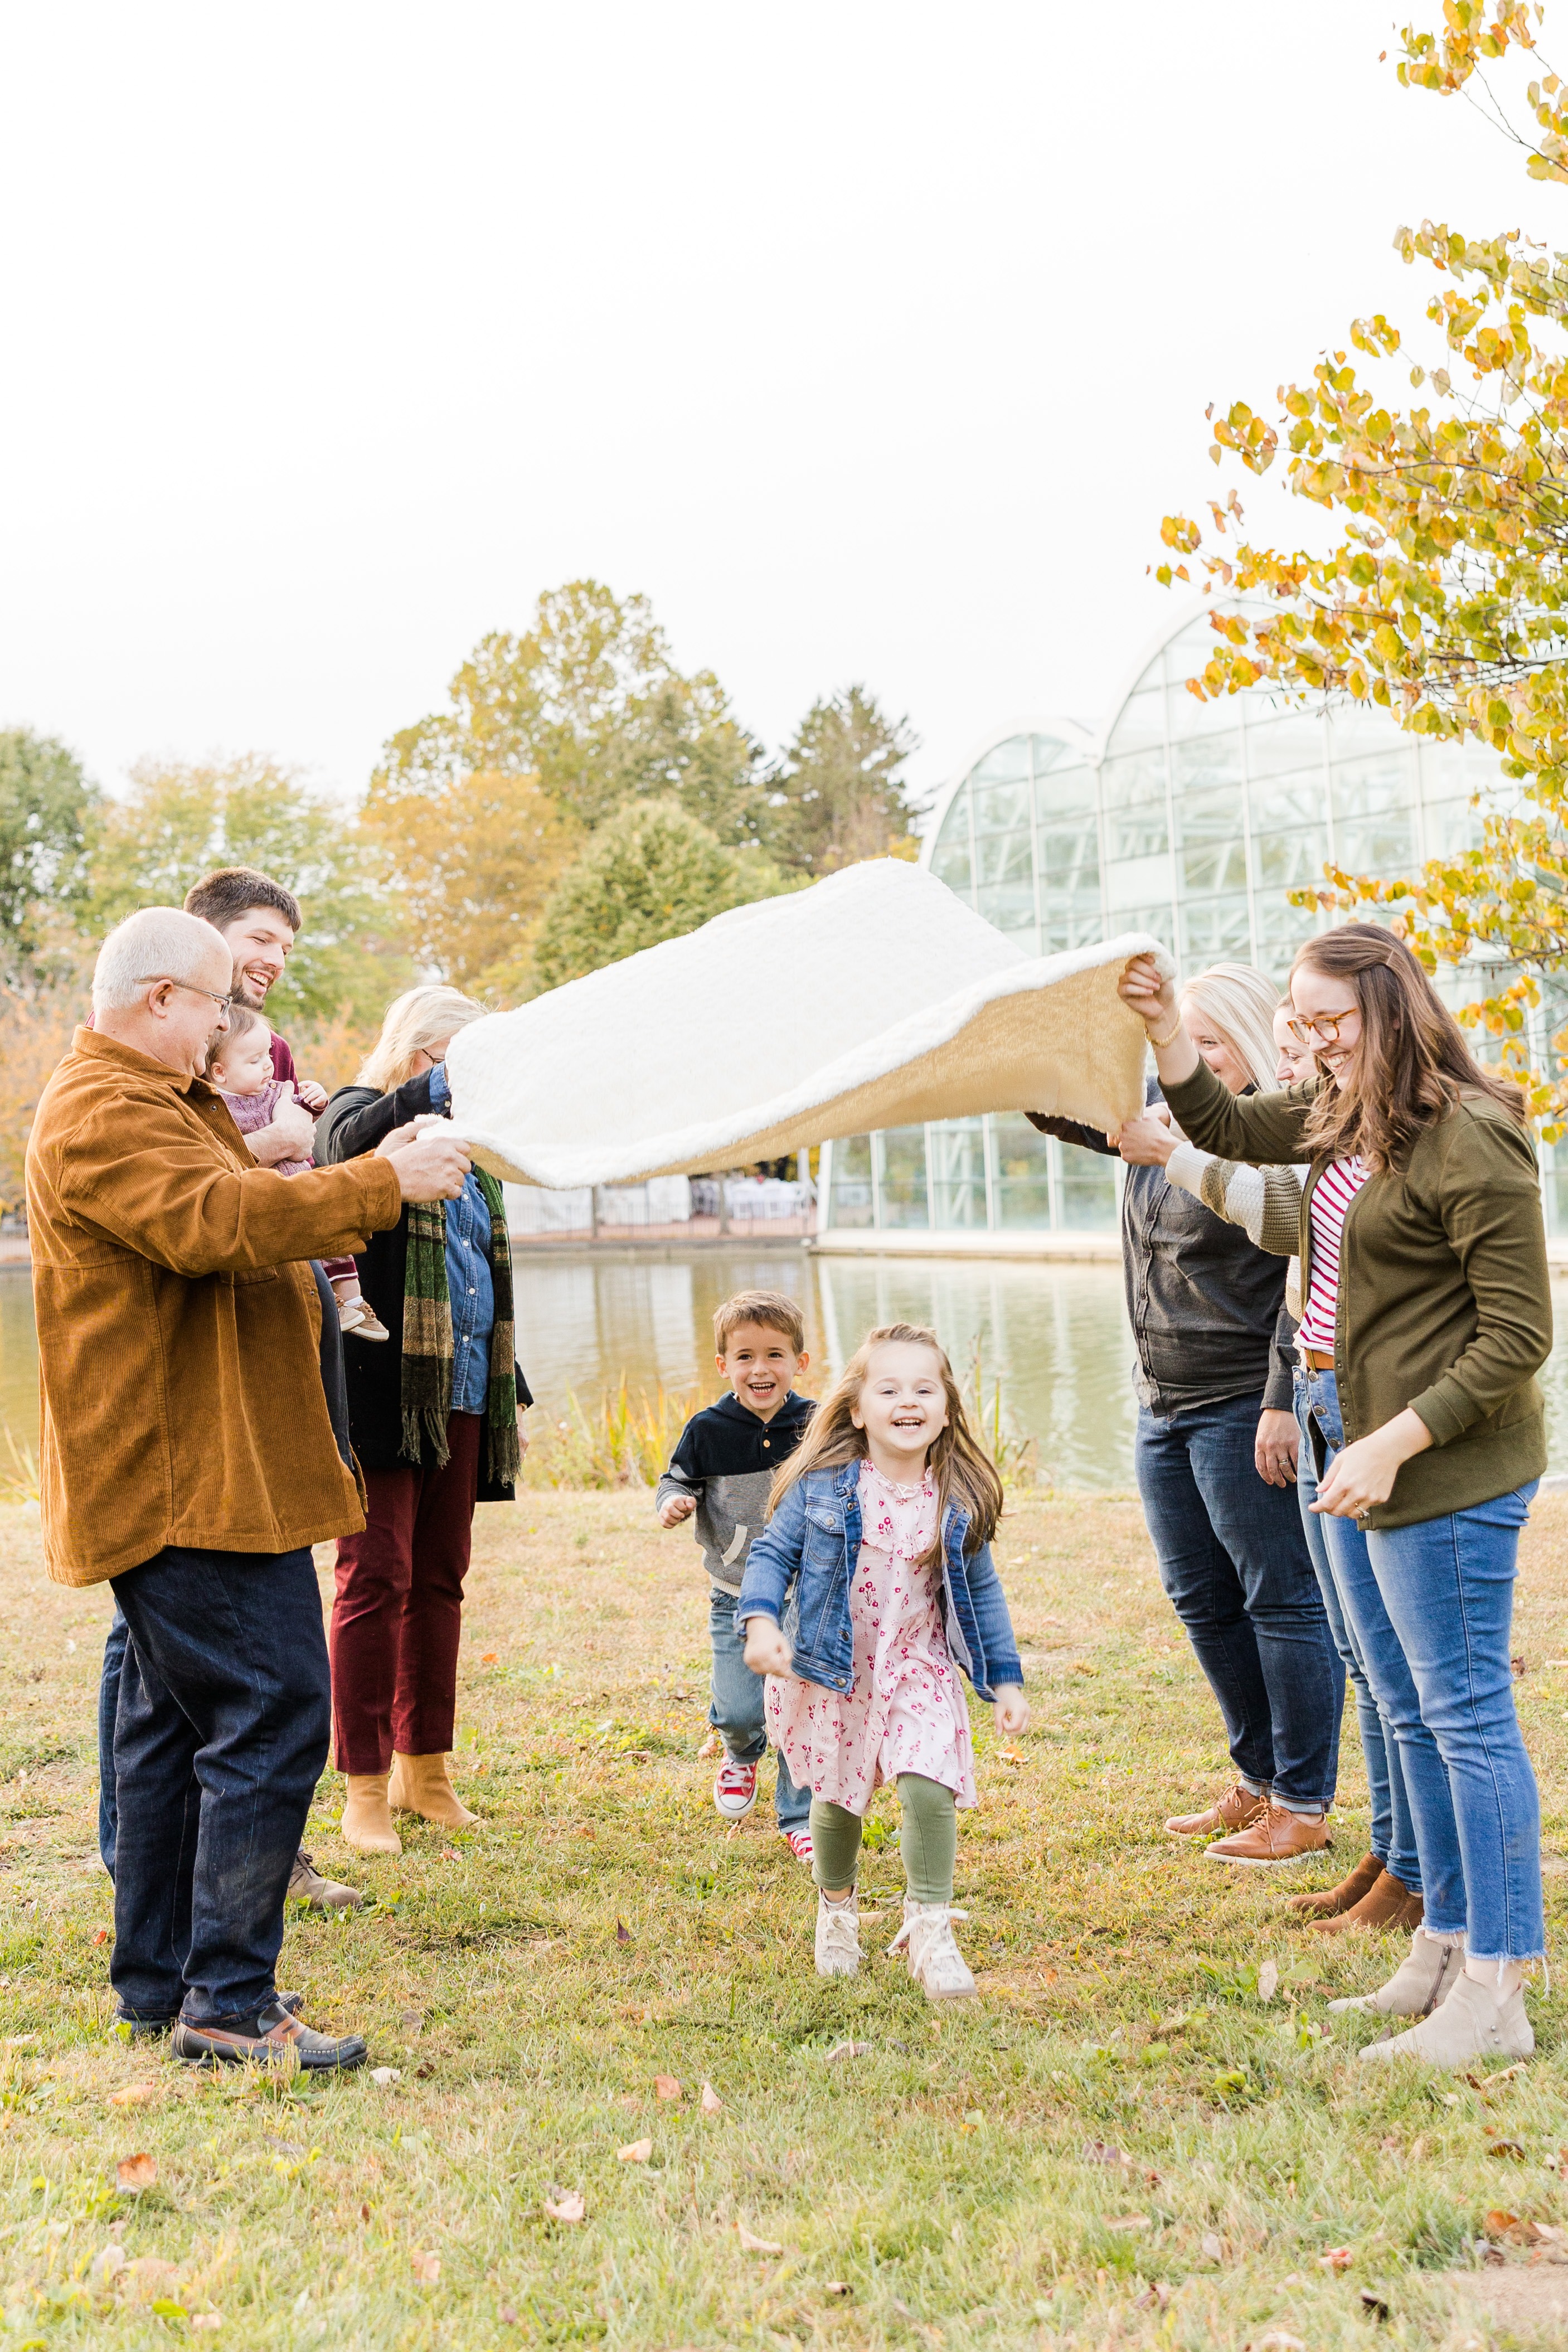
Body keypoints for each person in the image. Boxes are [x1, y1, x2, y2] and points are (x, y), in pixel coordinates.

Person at [30, 907, 470, 2068]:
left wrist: (283, 1157)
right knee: (275, 1708)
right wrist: (378, 1180)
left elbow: (218, 1204)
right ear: (162, 999)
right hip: (187, 1486)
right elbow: (211, 1224)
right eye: (218, 1002)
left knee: (176, 1728)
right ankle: (229, 2004)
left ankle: (162, 1984)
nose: (233, 1022)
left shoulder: (152, 1103)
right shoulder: (103, 1111)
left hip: (216, 1474)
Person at [1122, 922, 1551, 2065]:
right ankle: (1438, 1953)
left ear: (1394, 1012)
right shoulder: (1334, 1115)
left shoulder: (1473, 1137)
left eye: (1331, 1025)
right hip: (1333, 1428)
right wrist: (1165, 1025)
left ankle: (1496, 1993)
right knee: (1405, 1707)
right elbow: (1212, 1123)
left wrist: (1395, 1440)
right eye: (1297, 1026)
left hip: (1433, 1462)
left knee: (1462, 1717)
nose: (1309, 1046)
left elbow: (1517, 1332)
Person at [1032, 962, 1343, 1865]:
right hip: (1160, 1401)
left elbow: (1305, 1280)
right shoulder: (1153, 1128)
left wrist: (1282, 1403)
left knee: (1278, 1598)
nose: (1189, 1059)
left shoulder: (1270, 1145)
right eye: (1181, 1041)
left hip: (1242, 1398)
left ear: (1247, 1050)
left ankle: (1301, 1800)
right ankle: (1253, 1778)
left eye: (1208, 1042)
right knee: (1199, 1597)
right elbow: (1063, 1112)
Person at [95, 866, 361, 1918]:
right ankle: (212, 1968)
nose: (270, 965)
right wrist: (361, 1181)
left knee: (178, 1702)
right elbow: (209, 1216)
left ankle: (163, 1957)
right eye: (256, 944)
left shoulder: (193, 1073)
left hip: (233, 1436)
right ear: (174, 980)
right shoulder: (124, 1098)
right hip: (178, 1460)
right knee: (252, 1694)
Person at [1137, 998, 1425, 1936]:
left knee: (1336, 1630)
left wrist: (1275, 1395)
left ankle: (1319, 1810)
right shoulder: (1299, 1124)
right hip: (1210, 1392)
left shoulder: (1324, 1129)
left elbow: (1285, 1244)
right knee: (1248, 1606)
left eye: (1316, 1025)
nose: (1308, 1043)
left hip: (1279, 1394)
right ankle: (1361, 1837)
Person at [737, 1323, 1027, 2000]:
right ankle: (836, 1908)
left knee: (929, 1781)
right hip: (835, 1672)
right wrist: (758, 1623)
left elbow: (980, 1592)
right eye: (889, 1387)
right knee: (838, 1807)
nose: (907, 1400)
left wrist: (1004, 1679)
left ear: (946, 1408)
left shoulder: (955, 1499)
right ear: (857, 1408)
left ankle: (929, 1925)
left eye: (923, 1388)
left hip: (916, 1667)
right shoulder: (823, 1486)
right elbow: (771, 1557)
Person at [315, 985, 531, 1857]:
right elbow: (341, 1152)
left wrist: (506, 1377)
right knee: (376, 1577)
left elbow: (476, 1272)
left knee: (441, 1577)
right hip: (384, 1395)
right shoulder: (363, 1114)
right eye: (469, 1059)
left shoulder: (473, 1158)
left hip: (467, 1388)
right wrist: (432, 1097)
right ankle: (362, 1785)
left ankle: (425, 1770)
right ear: (423, 1059)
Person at [656, 1289, 815, 1860]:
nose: (760, 1368)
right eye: (744, 1356)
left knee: (800, 1707)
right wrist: (673, 1503)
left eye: (775, 1354)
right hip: (735, 1596)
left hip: (806, 1595)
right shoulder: (708, 1428)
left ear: (800, 1361)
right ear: (723, 1365)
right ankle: (739, 1752)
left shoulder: (818, 1424)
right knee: (743, 1706)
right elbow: (675, 1480)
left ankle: (798, 1816)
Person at [206, 1005, 390, 1341]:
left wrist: (315, 1099)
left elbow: (306, 1115)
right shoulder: (215, 1105)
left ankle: (355, 1301)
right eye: (254, 1061)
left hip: (302, 1179)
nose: (267, 1065)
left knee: (336, 1241)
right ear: (219, 1072)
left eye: (267, 1056)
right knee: (304, 1247)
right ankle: (330, 1301)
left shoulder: (276, 1090)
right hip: (275, 1197)